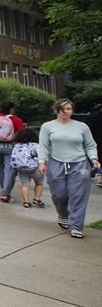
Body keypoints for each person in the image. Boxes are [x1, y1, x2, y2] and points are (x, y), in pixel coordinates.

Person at [38, 98, 100, 239]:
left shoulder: (82, 126)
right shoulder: (47, 126)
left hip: (80, 164)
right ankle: (63, 214)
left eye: (69, 109)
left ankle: (76, 226)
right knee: (59, 195)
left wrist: (94, 159)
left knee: (78, 196)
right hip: (56, 163)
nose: (66, 112)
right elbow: (43, 146)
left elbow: (90, 145)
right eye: (63, 109)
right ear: (56, 110)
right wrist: (41, 162)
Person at [10, 127, 45, 208]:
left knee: (25, 185)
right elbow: (41, 156)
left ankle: (26, 202)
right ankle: (37, 199)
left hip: (22, 168)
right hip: (35, 168)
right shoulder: (35, 145)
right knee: (39, 183)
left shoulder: (17, 146)